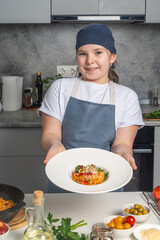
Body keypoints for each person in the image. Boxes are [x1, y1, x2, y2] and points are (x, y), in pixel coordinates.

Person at [38, 23, 144, 193]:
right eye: (82, 54)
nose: (89, 61)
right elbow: (50, 134)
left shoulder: (127, 96)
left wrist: (123, 154)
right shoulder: (60, 88)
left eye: (98, 52)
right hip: (64, 177)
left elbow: (122, 144)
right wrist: (54, 144)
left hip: (108, 180)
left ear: (112, 57)